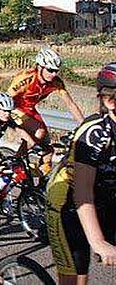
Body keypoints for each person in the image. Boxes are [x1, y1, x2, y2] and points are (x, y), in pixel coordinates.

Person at [47, 62, 116, 284]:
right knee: (77, 277)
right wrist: (97, 241)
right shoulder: (95, 133)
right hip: (68, 204)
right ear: (109, 101)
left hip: (107, 200)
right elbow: (83, 193)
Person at [8, 48, 85, 174]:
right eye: (50, 70)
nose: (53, 74)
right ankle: (15, 161)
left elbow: (71, 104)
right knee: (39, 132)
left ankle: (40, 185)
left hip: (30, 111)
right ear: (40, 67)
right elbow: (7, 99)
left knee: (48, 150)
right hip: (14, 108)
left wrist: (84, 124)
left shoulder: (56, 82)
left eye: (56, 71)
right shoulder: (26, 78)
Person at [0, 93, 36, 197]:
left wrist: (33, 143)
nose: (7, 114)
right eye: (4, 111)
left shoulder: (8, 121)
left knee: (10, 168)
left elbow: (21, 131)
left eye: (9, 111)